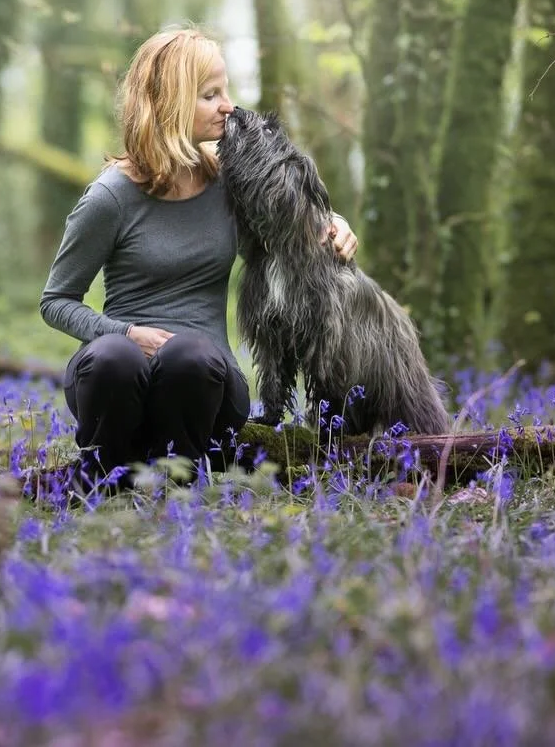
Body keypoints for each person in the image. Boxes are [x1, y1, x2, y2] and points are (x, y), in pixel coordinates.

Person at [38, 25, 358, 492]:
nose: (228, 105)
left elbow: (292, 226)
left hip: (207, 381)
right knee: (112, 358)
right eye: (210, 95)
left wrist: (334, 223)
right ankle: (106, 485)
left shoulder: (230, 185)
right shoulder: (109, 198)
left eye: (225, 90)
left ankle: (181, 491)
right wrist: (126, 333)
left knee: (187, 355)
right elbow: (56, 301)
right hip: (118, 381)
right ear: (169, 105)